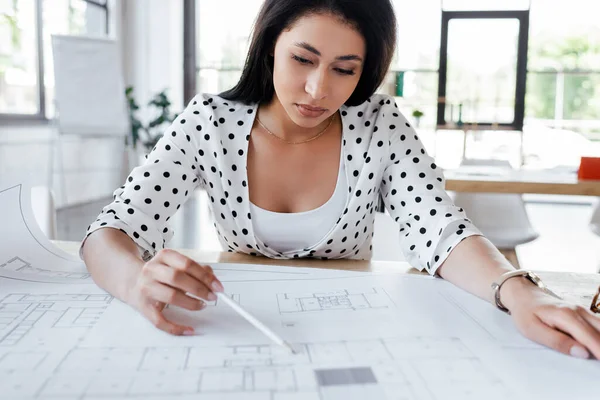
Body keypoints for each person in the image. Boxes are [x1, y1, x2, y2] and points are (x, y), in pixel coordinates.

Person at [81, 0, 600, 359]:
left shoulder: (379, 124)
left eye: (344, 70)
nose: (316, 89)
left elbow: (439, 230)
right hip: (238, 326)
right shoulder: (209, 122)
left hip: (353, 331)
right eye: (302, 59)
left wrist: (519, 291)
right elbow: (112, 231)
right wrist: (133, 279)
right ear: (269, 46)